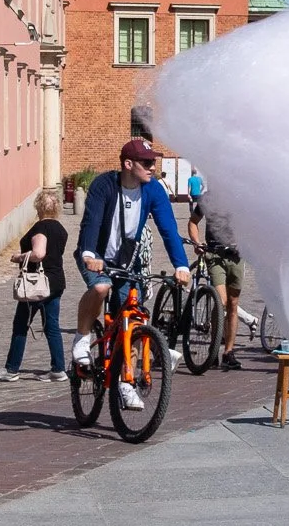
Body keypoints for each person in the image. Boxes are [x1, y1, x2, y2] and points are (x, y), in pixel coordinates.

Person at [72, 137, 191, 409]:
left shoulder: (153, 190)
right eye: (147, 163)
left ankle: (126, 383)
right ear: (128, 164)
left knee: (133, 320)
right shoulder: (104, 186)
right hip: (97, 257)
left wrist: (181, 265)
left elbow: (169, 229)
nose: (152, 168)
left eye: (153, 162)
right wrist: (90, 254)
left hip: (127, 263)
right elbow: (91, 222)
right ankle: (82, 338)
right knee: (101, 288)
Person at [0, 190, 68, 382]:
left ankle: (11, 369)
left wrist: (19, 257)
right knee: (52, 326)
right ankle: (58, 368)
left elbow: (39, 253)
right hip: (56, 281)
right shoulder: (61, 229)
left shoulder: (40, 228)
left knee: (21, 325)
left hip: (36, 284)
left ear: (38, 207)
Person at [186, 182, 245, 370]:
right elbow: (193, 221)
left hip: (236, 257)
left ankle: (228, 351)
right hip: (215, 255)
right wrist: (197, 243)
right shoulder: (208, 199)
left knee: (233, 304)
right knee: (222, 301)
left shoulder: (240, 199)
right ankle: (214, 347)